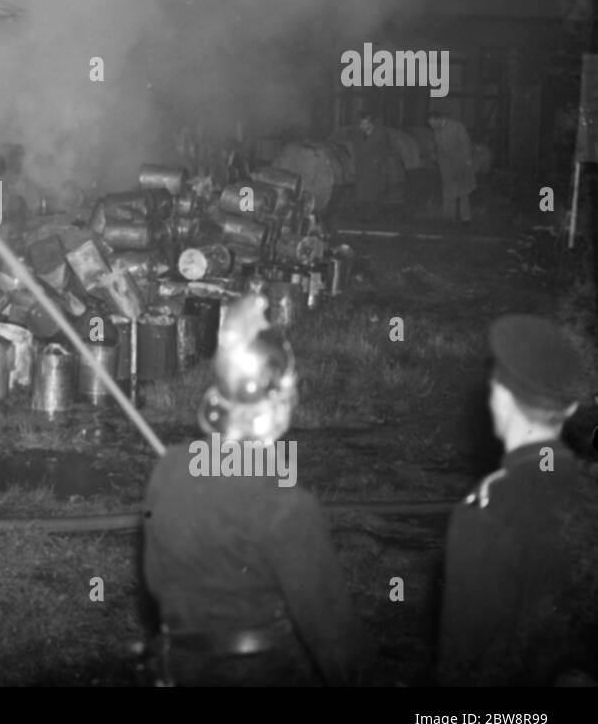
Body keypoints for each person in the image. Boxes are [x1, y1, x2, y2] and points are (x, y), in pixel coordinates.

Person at [138, 295, 373, 686]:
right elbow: (333, 635)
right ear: (276, 408)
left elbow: (155, 583)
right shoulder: (287, 505)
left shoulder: (169, 469)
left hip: (179, 669)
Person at [437, 315, 598, 687]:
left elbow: (464, 661)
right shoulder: (589, 494)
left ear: (501, 396)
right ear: (571, 408)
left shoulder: (486, 511)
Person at [427, 110, 476, 224]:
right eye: (431, 125)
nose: (432, 127)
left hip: (460, 165)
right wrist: (434, 155)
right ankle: (449, 218)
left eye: (433, 124)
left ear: (439, 119)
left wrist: (468, 162)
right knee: (448, 191)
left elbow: (466, 144)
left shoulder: (457, 127)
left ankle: (466, 219)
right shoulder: (436, 130)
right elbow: (436, 146)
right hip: (446, 166)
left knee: (463, 192)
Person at [354, 114, 404, 221]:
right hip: (362, 168)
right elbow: (358, 149)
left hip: (375, 169)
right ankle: (363, 217)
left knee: (373, 194)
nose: (361, 126)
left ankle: (373, 217)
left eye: (364, 123)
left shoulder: (380, 134)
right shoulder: (359, 134)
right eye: (361, 123)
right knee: (362, 194)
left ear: (370, 123)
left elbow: (386, 150)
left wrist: (377, 160)